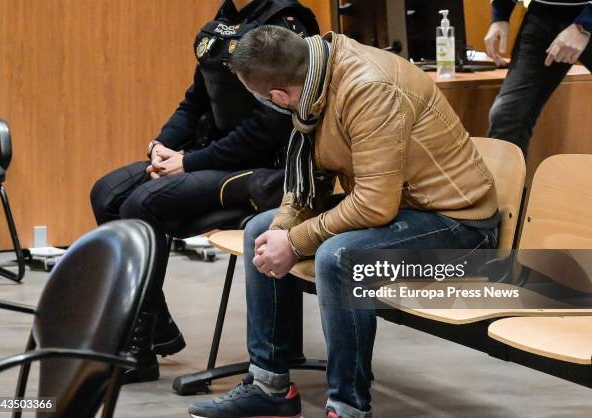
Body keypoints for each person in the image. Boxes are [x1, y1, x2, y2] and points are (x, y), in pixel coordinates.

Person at [188, 26, 500, 418]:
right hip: (402, 208)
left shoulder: (369, 89)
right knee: (259, 230)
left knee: (339, 258)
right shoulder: (317, 76)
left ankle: (348, 407)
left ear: (279, 97)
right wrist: (284, 227)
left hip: (459, 224)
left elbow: (373, 206)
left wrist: (297, 241)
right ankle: (269, 387)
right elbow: (309, 184)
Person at [90, 0, 318, 384]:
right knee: (106, 193)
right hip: (213, 154)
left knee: (142, 203)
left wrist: (188, 164)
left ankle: (137, 347)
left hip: (266, 171)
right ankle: (154, 329)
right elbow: (194, 101)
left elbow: (270, 127)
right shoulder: (225, 20)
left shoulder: (286, 22)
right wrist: (162, 145)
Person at [485, 0, 592, 155]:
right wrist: (501, 14)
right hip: (543, 16)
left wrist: (585, 25)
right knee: (507, 115)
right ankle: (506, 179)